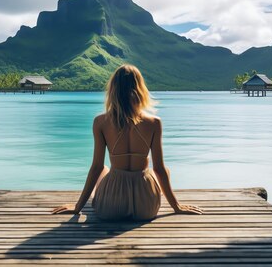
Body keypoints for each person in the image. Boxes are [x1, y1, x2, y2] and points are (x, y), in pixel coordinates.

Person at [52, 64, 202, 220]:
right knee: (164, 171)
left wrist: (78, 207)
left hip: (110, 207)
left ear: (113, 90)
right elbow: (159, 169)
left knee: (103, 168)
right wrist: (176, 207)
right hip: (145, 208)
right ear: (140, 89)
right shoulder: (154, 123)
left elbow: (96, 168)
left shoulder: (100, 122)